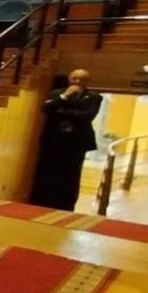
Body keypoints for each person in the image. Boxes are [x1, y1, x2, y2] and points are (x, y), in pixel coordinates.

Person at [29, 69, 102, 211]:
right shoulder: (57, 93)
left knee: (71, 176)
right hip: (54, 140)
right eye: (75, 78)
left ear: (87, 82)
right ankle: (42, 202)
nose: (77, 82)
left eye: (82, 79)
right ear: (69, 79)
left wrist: (61, 112)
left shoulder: (94, 97)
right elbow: (46, 108)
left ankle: (66, 206)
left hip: (77, 143)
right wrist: (64, 97)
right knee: (48, 173)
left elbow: (87, 116)